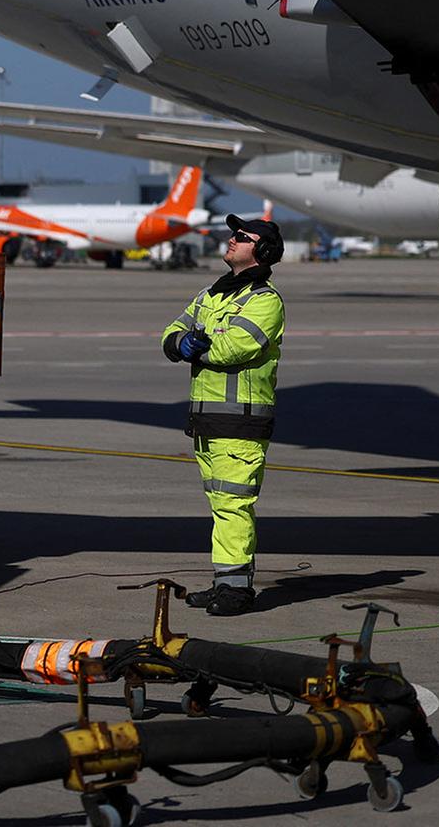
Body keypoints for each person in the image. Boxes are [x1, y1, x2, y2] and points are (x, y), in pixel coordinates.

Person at [161, 215, 286, 616]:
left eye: (241, 237)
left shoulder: (265, 301)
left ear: (262, 251)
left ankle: (237, 591)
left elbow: (233, 349)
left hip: (240, 423)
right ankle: (224, 583)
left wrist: (194, 345)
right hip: (207, 422)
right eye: (233, 234)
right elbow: (169, 335)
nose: (231, 240)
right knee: (221, 506)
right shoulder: (211, 295)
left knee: (234, 506)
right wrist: (181, 342)